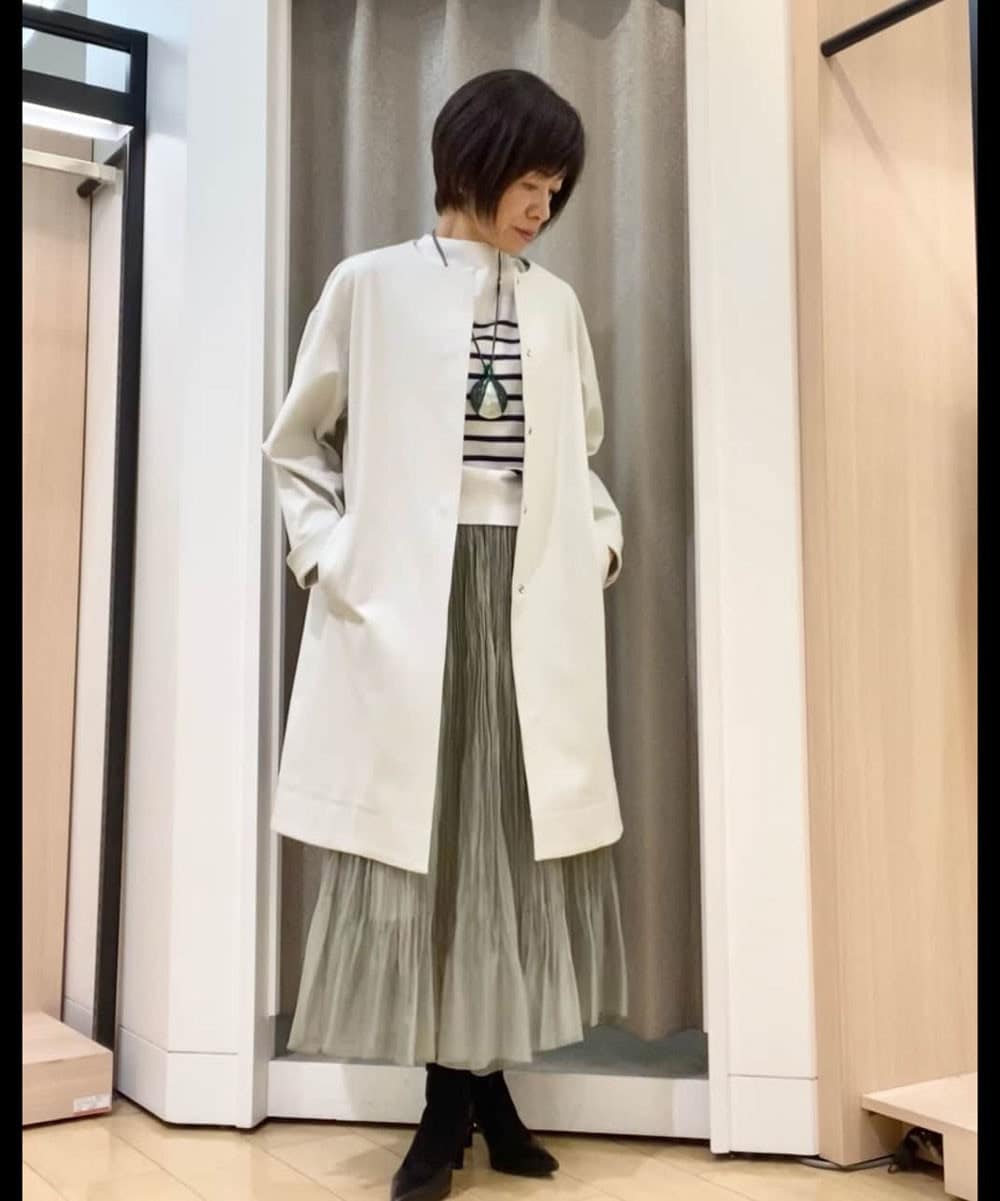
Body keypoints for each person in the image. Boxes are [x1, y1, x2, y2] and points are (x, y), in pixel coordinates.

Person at [262, 68, 627, 1201]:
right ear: (473, 162)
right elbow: (296, 447)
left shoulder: (556, 305)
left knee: (508, 843)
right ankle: (450, 1103)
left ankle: (479, 1093)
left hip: (530, 597)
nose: (543, 205)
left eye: (556, 187)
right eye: (530, 179)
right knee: (426, 844)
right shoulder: (368, 285)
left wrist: (599, 545)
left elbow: (579, 458)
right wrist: (330, 559)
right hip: (409, 602)